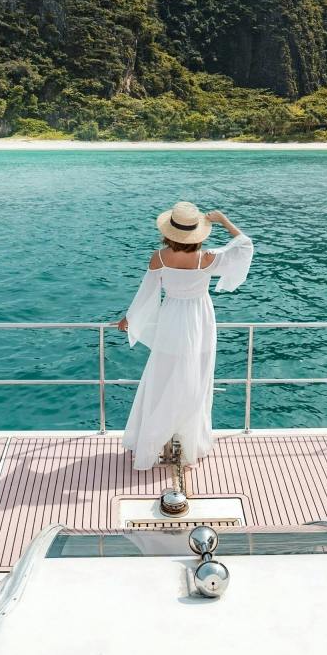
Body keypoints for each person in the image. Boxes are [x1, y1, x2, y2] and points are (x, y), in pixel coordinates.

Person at [116, 201, 253, 471]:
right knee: (195, 379)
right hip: (200, 321)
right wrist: (224, 221)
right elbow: (245, 247)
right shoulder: (209, 258)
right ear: (198, 233)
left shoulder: (160, 257)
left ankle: (155, 438)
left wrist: (129, 319)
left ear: (169, 232)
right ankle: (189, 440)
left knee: (163, 376)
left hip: (171, 320)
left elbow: (146, 293)